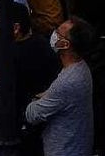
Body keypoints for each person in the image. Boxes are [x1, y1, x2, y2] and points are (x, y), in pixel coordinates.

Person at [23, 18, 95, 156]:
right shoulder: (81, 68)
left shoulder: (68, 82)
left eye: (58, 32)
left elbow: (33, 114)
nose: (54, 34)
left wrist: (33, 100)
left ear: (65, 44)